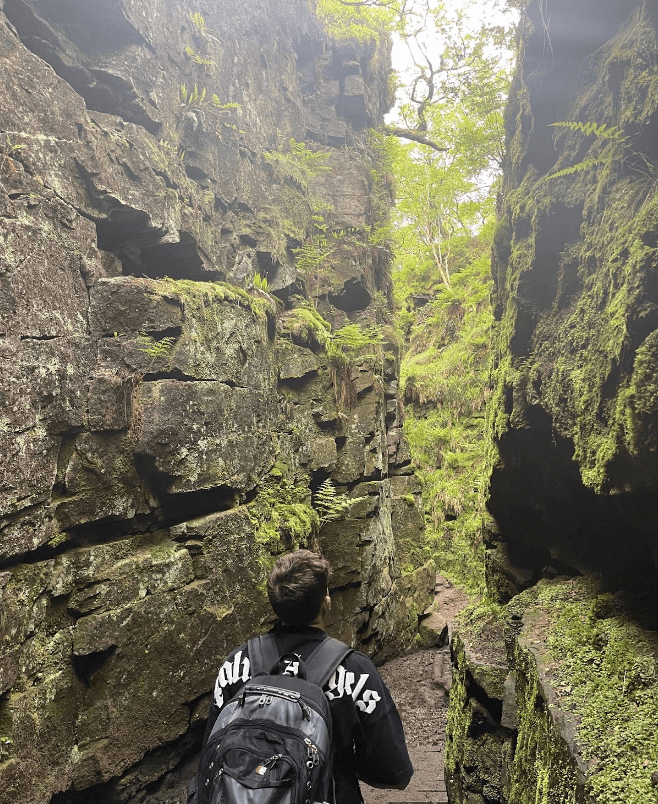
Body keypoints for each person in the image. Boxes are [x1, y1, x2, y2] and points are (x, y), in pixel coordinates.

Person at [193, 549, 413, 803]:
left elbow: (212, 746)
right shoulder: (356, 670)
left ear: (275, 605)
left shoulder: (236, 663)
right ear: (325, 603)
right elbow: (393, 771)